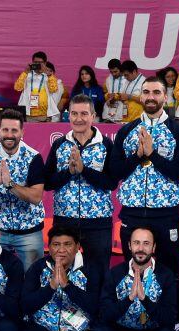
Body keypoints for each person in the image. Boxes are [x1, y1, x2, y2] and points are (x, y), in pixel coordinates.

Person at [110, 76, 179, 276]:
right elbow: (115, 173)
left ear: (165, 96)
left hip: (166, 214)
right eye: (146, 92)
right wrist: (138, 156)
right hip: (132, 212)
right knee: (131, 270)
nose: (150, 97)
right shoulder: (126, 131)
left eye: (156, 92)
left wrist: (152, 154)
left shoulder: (178, 132)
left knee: (169, 271)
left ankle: (167, 307)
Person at [44, 94, 117, 278]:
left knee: (99, 274)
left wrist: (84, 170)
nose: (79, 119)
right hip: (64, 222)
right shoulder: (59, 145)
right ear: (68, 116)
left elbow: (111, 182)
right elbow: (47, 183)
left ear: (93, 116)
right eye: (74, 114)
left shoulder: (106, 145)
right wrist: (69, 171)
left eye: (84, 113)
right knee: (62, 272)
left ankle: (98, 307)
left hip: (98, 223)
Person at [0, 108, 46, 269]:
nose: (9, 135)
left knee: (32, 280)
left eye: (14, 130)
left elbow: (36, 197)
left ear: (22, 132)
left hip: (29, 231)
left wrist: (10, 184)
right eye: (5, 130)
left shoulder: (34, 157)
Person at [14, 51, 59, 122]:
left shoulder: (49, 76)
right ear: (32, 62)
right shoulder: (26, 75)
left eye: (40, 62)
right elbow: (17, 88)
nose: (37, 64)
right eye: (35, 62)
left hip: (44, 116)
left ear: (45, 63)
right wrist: (25, 73)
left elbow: (54, 90)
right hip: (28, 114)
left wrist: (49, 75)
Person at [102, 59, 128, 123]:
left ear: (120, 69)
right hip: (109, 110)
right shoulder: (108, 79)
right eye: (111, 72)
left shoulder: (127, 79)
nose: (113, 74)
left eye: (115, 71)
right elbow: (105, 92)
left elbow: (129, 95)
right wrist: (108, 96)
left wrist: (116, 96)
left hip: (122, 111)